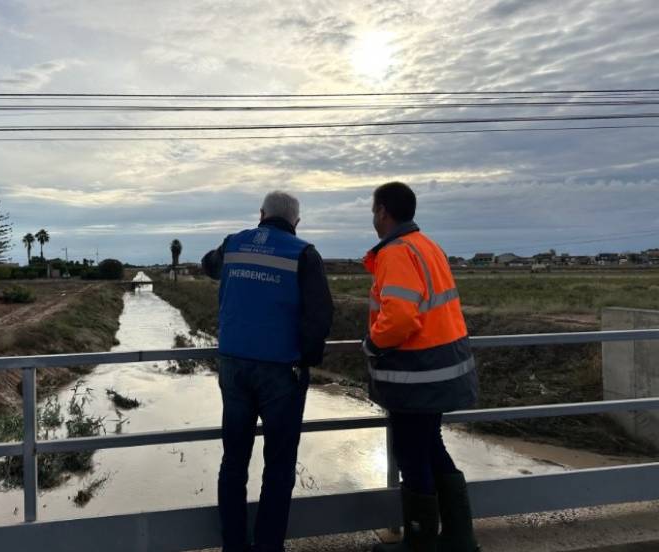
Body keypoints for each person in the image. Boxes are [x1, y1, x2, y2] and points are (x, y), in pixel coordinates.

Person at [202, 190, 333, 552]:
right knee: (278, 465)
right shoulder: (304, 253)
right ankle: (268, 546)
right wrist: (305, 359)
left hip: (233, 366)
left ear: (261, 214)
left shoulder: (234, 244)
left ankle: (234, 545)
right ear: (296, 222)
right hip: (281, 371)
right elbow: (320, 315)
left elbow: (208, 265)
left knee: (233, 461)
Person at [362, 182, 480, 552]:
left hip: (417, 375)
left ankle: (420, 542)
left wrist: (371, 344)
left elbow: (398, 318)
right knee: (430, 446)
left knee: (412, 454)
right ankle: (459, 539)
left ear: (383, 211)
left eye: (373, 209)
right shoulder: (427, 245)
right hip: (444, 368)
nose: (372, 216)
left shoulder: (397, 252)